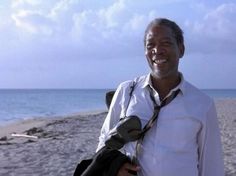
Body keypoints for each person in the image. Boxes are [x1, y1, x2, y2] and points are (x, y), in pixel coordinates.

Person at [96, 18, 224, 176]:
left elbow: (211, 165)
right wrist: (115, 167)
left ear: (181, 49)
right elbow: (104, 141)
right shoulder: (126, 92)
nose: (157, 50)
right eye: (150, 45)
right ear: (145, 52)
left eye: (166, 43)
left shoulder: (202, 104)